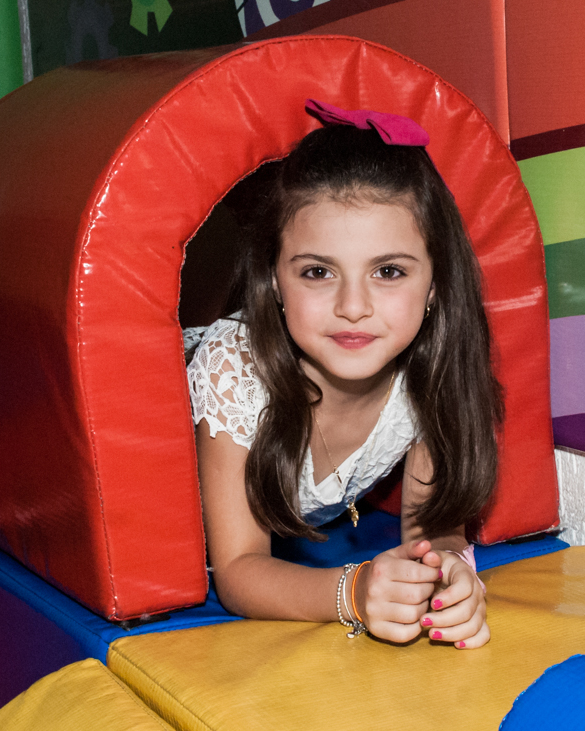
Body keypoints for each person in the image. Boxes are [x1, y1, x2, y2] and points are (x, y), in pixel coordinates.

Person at [188, 100, 502, 649]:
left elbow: (430, 528)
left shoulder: (426, 370)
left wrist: (449, 573)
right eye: (317, 272)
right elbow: (237, 568)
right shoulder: (233, 370)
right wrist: (354, 592)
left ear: (433, 286)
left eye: (387, 272)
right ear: (274, 282)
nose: (353, 306)